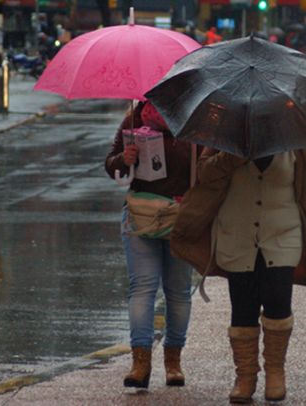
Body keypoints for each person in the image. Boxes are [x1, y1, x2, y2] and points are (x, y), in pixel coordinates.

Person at [170, 148, 306, 403]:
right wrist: (234, 156)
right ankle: (245, 377)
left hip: (283, 236)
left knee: (278, 304)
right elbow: (204, 174)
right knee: (243, 309)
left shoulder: (293, 140)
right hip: (236, 238)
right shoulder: (225, 139)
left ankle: (275, 373)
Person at [104, 101, 195, 389]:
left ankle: (173, 363)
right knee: (142, 288)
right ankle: (140, 364)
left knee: (178, 291)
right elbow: (110, 164)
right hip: (140, 218)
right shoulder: (136, 115)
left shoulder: (195, 119)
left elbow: (212, 170)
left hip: (181, 220)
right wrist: (124, 159)